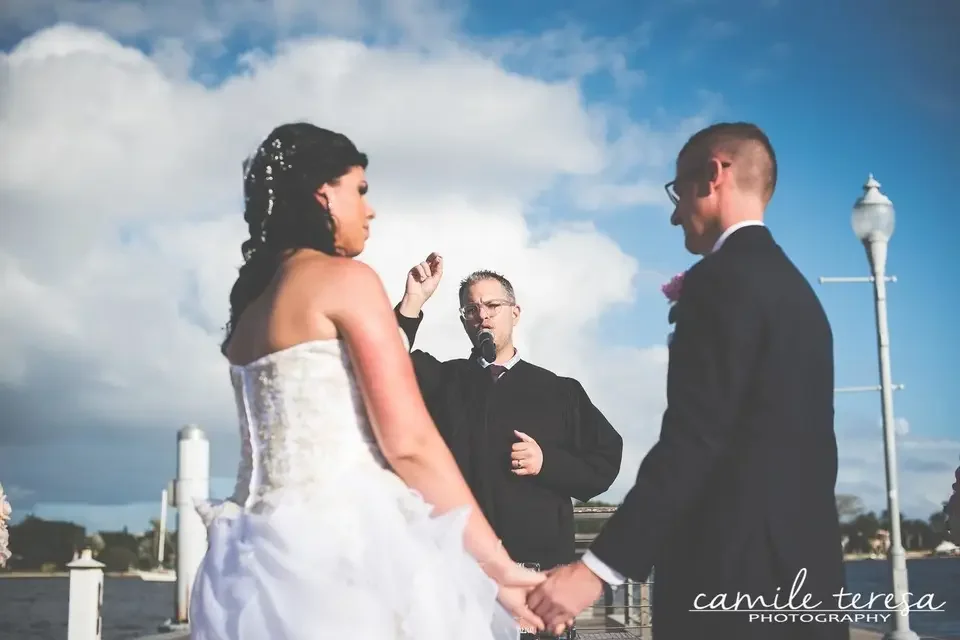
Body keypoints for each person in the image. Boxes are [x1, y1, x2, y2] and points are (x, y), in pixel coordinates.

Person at [187, 123, 546, 640]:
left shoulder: (249, 307)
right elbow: (409, 444)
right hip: (346, 552)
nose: (370, 209)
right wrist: (495, 563)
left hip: (245, 558)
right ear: (323, 194)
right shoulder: (346, 281)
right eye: (360, 191)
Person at [527, 122, 849, 640]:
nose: (676, 213)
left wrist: (595, 571)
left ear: (714, 173)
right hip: (808, 586)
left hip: (729, 588)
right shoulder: (801, 297)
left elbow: (694, 442)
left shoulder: (718, 282)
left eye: (678, 191)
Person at [393, 262, 623, 587]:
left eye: (492, 306)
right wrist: (413, 302)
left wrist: (547, 463)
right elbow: (385, 357)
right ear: (464, 321)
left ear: (514, 313)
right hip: (456, 571)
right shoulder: (443, 381)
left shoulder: (559, 391)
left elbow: (605, 461)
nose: (482, 315)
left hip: (536, 574)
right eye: (471, 309)